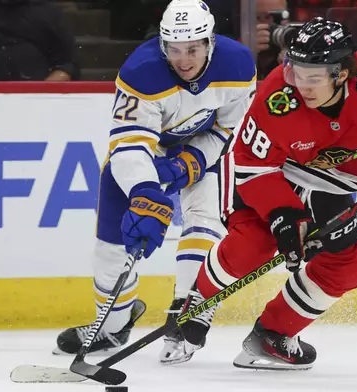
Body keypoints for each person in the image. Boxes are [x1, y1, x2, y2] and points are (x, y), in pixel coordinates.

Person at [165, 17, 357, 369]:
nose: (301, 86)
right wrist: (283, 213)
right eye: (296, 73)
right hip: (268, 174)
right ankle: (198, 299)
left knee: (348, 264)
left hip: (331, 185)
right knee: (256, 244)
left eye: (314, 77)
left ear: (342, 74)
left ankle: (273, 335)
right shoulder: (277, 95)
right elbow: (250, 162)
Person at [52, 0, 257, 363]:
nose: (184, 60)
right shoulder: (141, 71)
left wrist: (190, 162)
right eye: (174, 50)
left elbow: (230, 128)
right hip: (146, 156)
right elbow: (129, 143)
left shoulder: (238, 64)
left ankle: (187, 311)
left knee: (204, 219)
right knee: (111, 247)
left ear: (210, 41)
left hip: (204, 149)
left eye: (193, 48)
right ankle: (113, 326)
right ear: (162, 45)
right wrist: (145, 190)